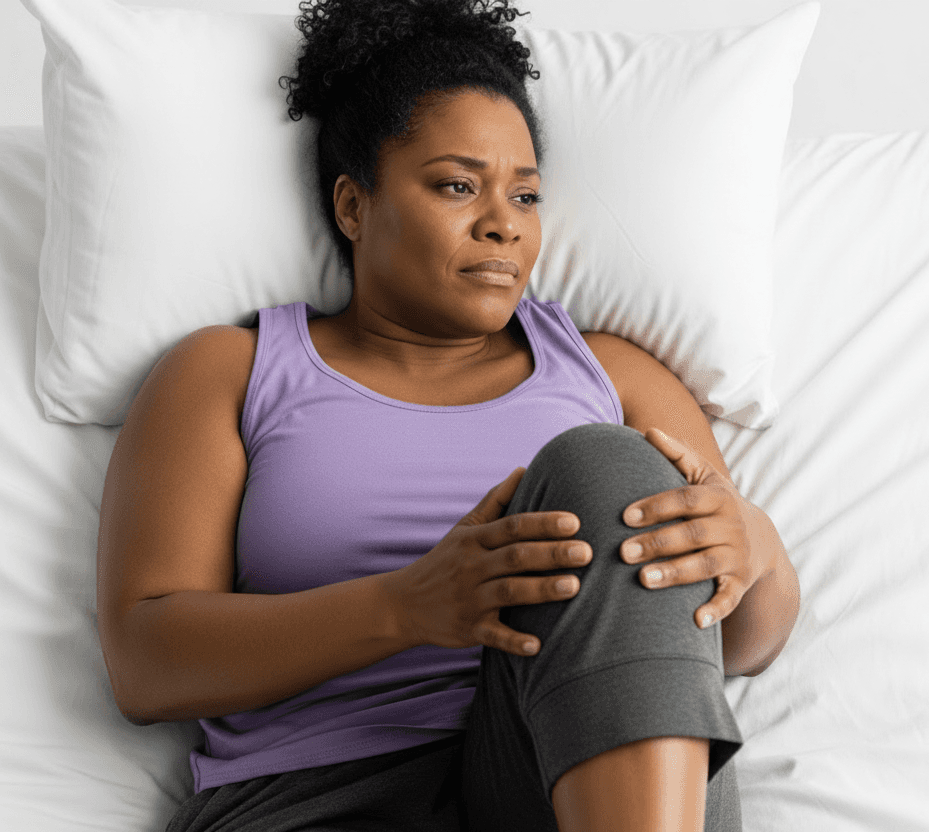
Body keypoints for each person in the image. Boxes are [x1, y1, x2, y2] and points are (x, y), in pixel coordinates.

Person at [93, 0, 801, 829]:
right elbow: (145, 665)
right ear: (354, 206)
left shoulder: (614, 377)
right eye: (458, 186)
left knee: (601, 467)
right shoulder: (232, 372)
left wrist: (755, 551)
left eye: (527, 195)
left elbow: (737, 645)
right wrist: (409, 604)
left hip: (567, 777)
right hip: (319, 797)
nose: (504, 223)